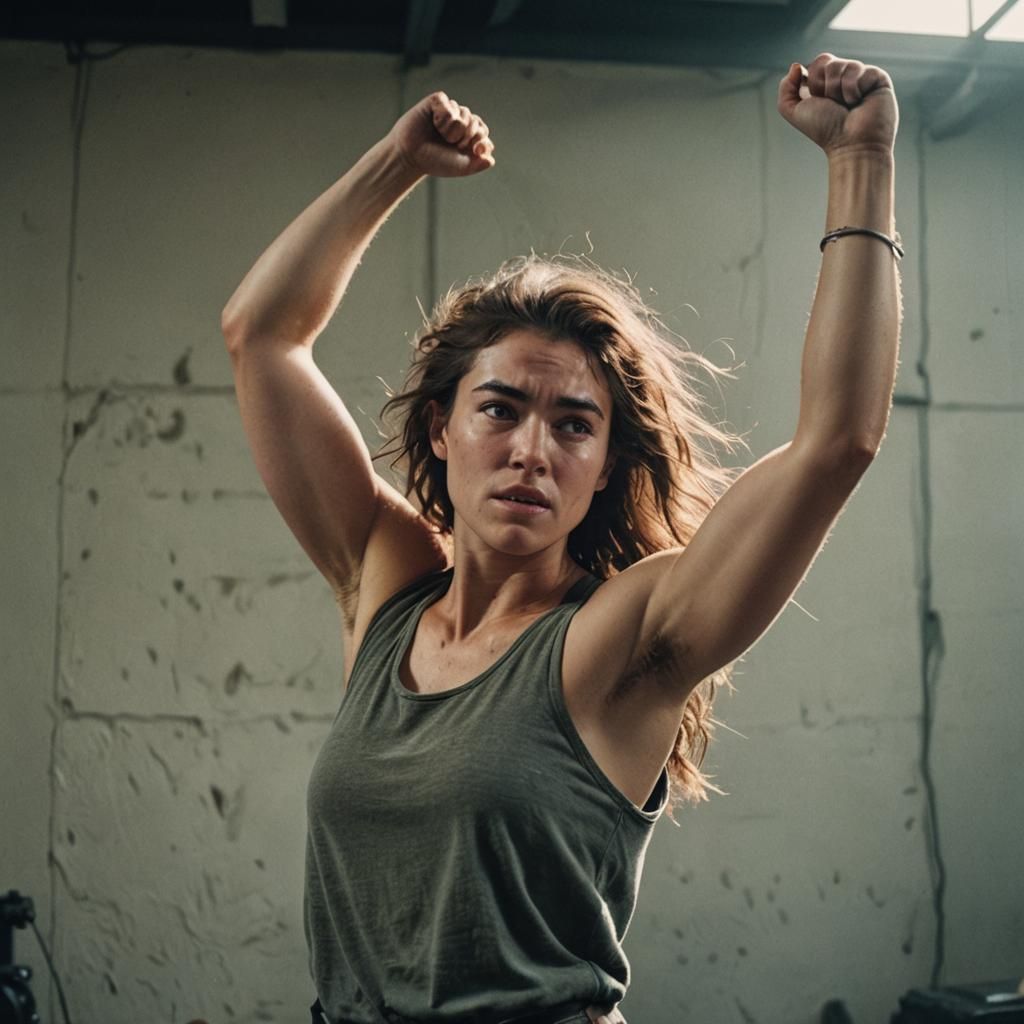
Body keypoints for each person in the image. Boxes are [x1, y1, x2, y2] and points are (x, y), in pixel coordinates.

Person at [220, 52, 902, 1024]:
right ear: (439, 430)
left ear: (602, 462)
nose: (532, 450)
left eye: (574, 424)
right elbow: (262, 334)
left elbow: (838, 442)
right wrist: (395, 163)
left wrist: (861, 158)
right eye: (499, 408)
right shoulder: (384, 580)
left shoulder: (620, 636)